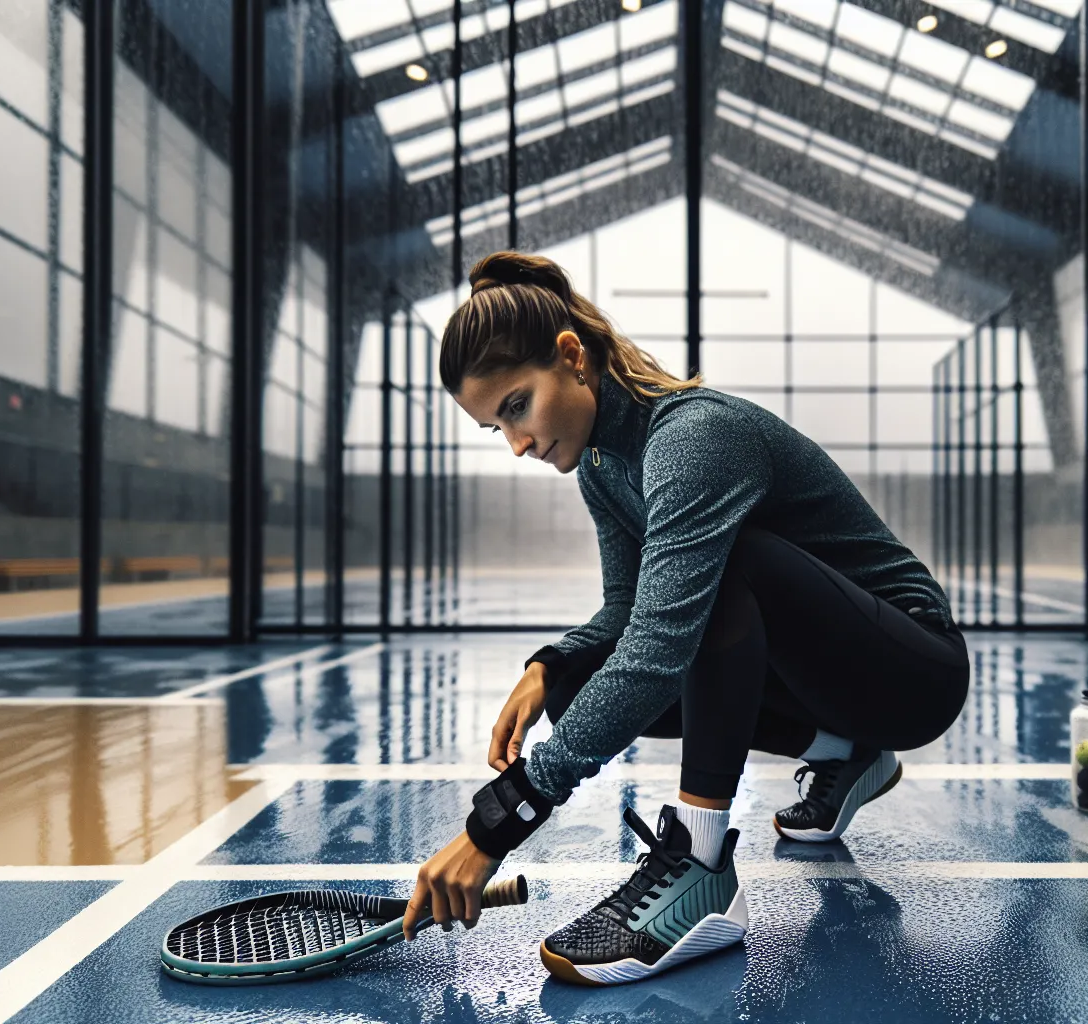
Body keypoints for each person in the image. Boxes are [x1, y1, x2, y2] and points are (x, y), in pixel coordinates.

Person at [402, 250, 970, 985]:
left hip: (914, 670)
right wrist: (552, 663)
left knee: (726, 572)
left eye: (517, 406)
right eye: (494, 429)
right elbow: (624, 610)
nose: (516, 443)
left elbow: (659, 642)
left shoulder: (694, 439)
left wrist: (499, 821)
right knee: (581, 683)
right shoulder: (605, 463)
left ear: (572, 357)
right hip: (830, 678)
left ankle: (700, 867)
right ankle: (842, 752)